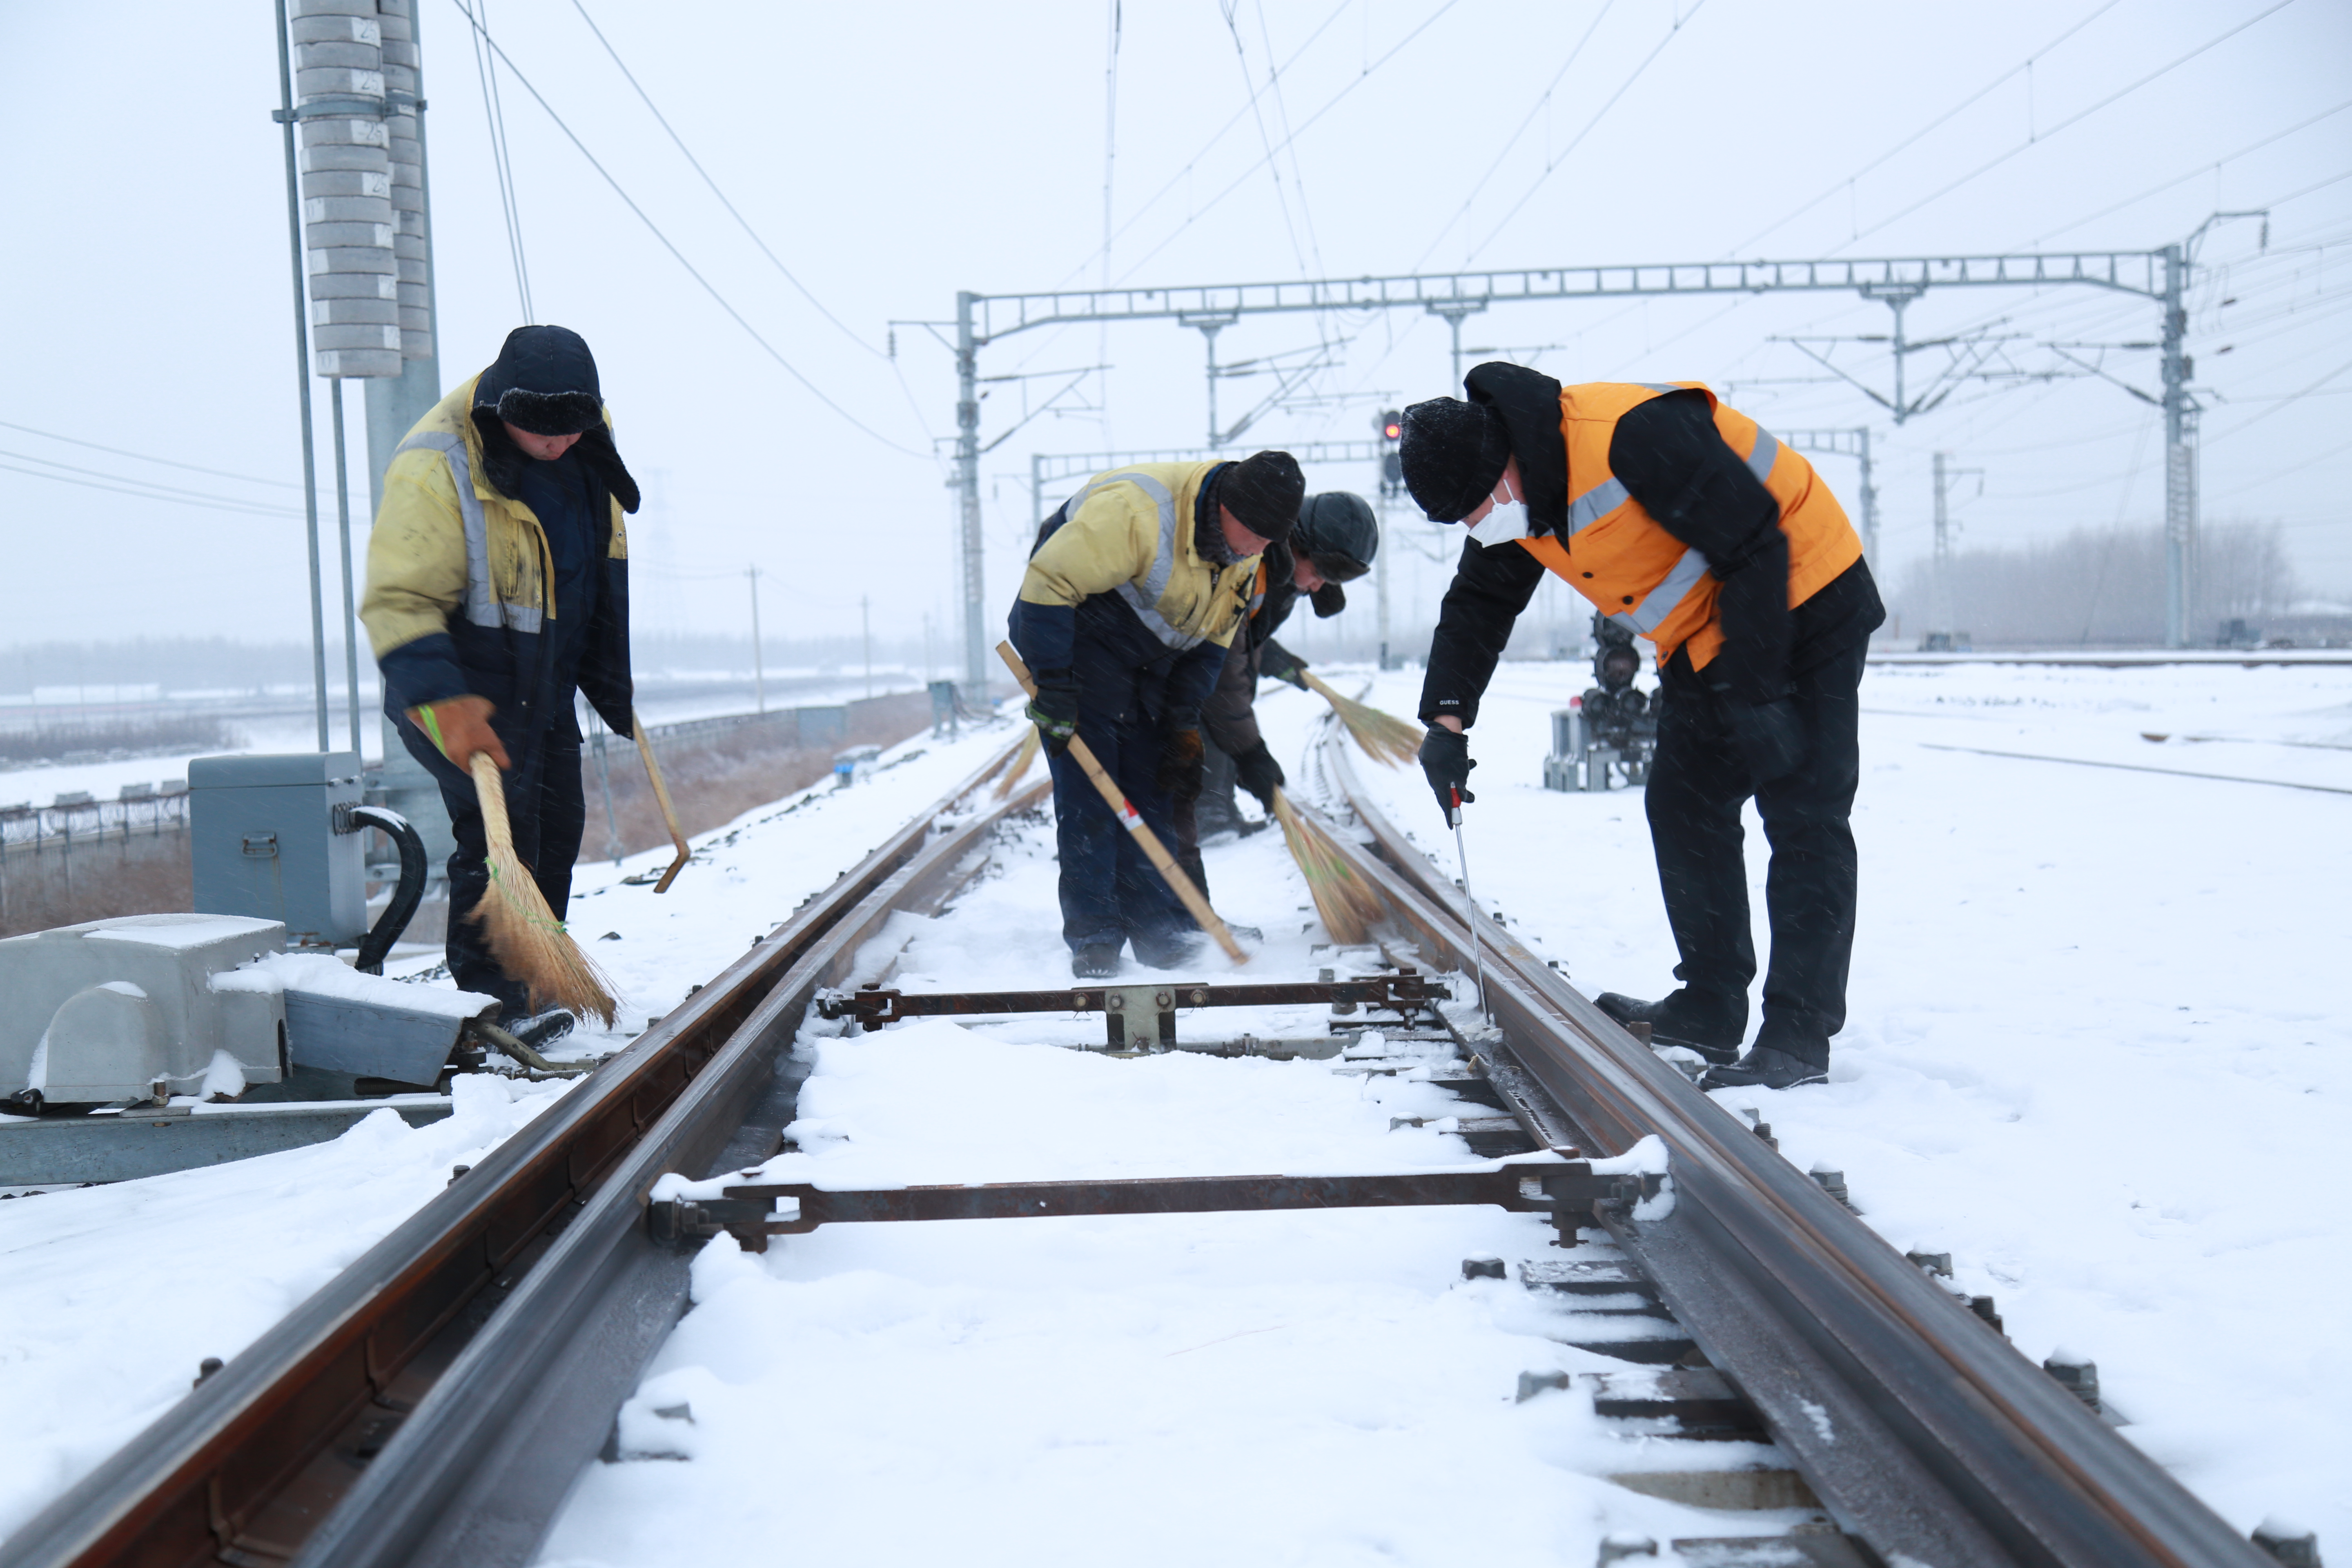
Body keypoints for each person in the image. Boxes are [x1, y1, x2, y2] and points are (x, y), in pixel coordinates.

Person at [1401, 362, 1883, 1090]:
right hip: (1706, 632)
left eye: (1473, 509)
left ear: (1502, 465)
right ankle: (1712, 1006)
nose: (1476, 526)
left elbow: (1755, 540)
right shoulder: (1521, 498)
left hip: (1808, 596)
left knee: (1804, 812)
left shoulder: (1632, 438)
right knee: (1685, 804)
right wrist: (1447, 722)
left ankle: (1796, 1035)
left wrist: (1758, 699)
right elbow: (1478, 605)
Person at [360, 325, 641, 1043]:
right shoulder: (436, 466)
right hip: (457, 690)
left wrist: (605, 672)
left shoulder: (585, 435)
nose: (554, 444)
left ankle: (542, 977)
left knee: (556, 832)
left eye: (569, 430)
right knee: (496, 841)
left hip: (540, 684)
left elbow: (594, 559)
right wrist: (443, 704)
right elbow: (400, 601)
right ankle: (495, 1006)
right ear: (499, 408)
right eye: (537, 431)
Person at [1009, 451, 1304, 978]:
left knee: (1156, 791)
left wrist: (1182, 719)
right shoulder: (1138, 513)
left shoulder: (1249, 547)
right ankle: (1095, 936)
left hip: (1149, 658)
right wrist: (1053, 684)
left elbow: (1215, 640)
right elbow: (1044, 588)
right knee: (1093, 794)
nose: (1259, 551)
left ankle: (1161, 931)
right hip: (1080, 634)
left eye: (1268, 542)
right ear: (1225, 507)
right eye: (1254, 535)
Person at [1190, 491, 1380, 851]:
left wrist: (1277, 661)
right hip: (1139, 661)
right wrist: (1251, 753)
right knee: (1215, 709)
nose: (1319, 586)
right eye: (1320, 573)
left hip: (1202, 663)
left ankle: (1217, 810)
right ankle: (1210, 813)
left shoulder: (1280, 574)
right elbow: (1222, 668)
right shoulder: (1247, 563)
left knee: (1229, 711)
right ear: (1297, 544)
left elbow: (1244, 636)